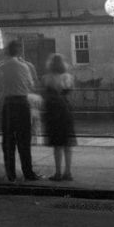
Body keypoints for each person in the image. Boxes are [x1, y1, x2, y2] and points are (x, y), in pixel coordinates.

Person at [0, 40, 42, 182]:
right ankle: (28, 172)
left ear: (7, 52)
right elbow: (31, 85)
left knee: (8, 142)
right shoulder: (25, 67)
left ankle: (11, 174)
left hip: (9, 104)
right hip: (22, 103)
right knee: (24, 140)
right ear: (19, 52)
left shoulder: (2, 67)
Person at [42, 53, 76, 182]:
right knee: (67, 143)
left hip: (53, 111)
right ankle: (68, 172)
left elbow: (45, 95)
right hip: (65, 110)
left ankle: (57, 172)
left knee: (57, 144)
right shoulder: (68, 77)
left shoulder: (47, 78)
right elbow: (71, 94)